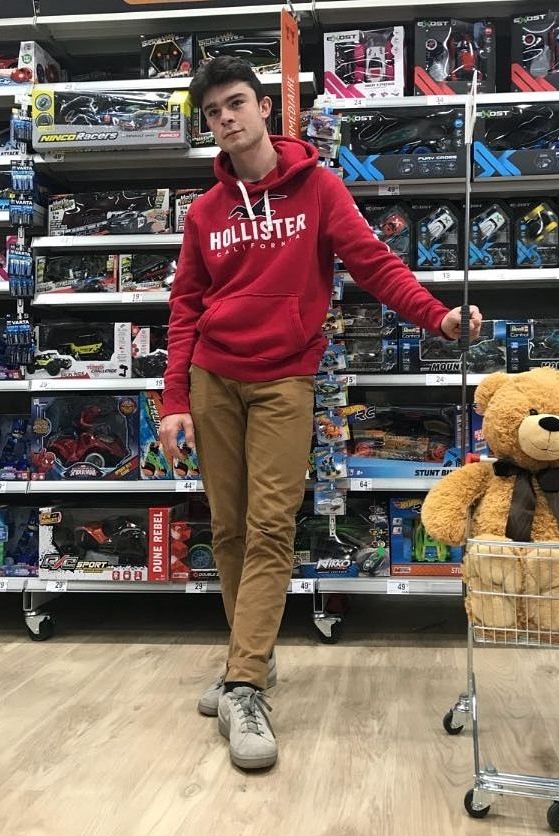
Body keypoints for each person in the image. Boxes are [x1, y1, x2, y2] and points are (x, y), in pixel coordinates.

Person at [160, 55, 483, 771]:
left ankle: (244, 685)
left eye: (236, 103)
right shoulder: (205, 212)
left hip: (285, 379)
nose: (226, 119)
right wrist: (174, 400)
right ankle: (252, 658)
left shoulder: (318, 188)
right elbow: (184, 307)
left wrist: (437, 317)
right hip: (213, 376)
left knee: (272, 524)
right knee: (228, 528)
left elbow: (374, 263)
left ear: (265, 106)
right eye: (213, 113)